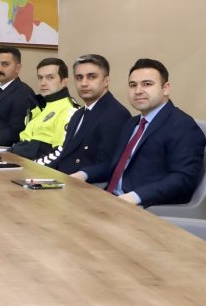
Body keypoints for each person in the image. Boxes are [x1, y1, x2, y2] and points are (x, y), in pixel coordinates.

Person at [72, 58, 205, 207]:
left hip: (142, 207)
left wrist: (135, 197)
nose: (138, 91)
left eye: (147, 84)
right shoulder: (132, 123)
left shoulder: (182, 125)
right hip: (110, 199)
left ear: (166, 88)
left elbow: (183, 179)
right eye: (133, 85)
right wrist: (83, 174)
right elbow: (115, 164)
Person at [48, 54, 130, 175]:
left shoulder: (116, 114)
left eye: (92, 77)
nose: (84, 83)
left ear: (106, 81)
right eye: (79, 77)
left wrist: (83, 175)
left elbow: (109, 165)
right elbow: (65, 156)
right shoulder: (78, 114)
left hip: (86, 183)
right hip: (62, 178)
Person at [10, 57, 79, 162]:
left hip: (37, 167)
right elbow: (24, 143)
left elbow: (61, 153)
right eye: (40, 78)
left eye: (50, 77)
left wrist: (29, 164)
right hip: (17, 160)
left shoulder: (68, 110)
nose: (43, 83)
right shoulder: (38, 106)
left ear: (64, 81)